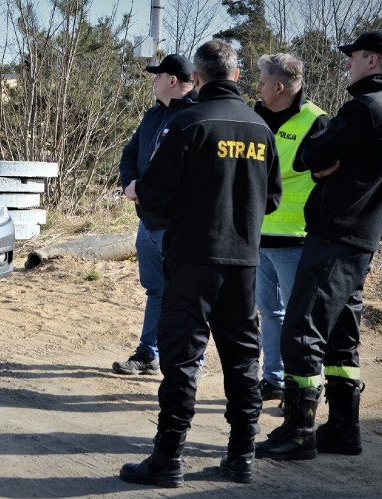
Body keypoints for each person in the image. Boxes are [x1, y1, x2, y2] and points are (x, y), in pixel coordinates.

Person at [119, 40, 281, 486]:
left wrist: (139, 192)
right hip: (243, 263)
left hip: (192, 260)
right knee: (243, 363)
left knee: (183, 360)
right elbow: (271, 199)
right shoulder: (259, 127)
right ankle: (241, 457)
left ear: (200, 76)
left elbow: (154, 191)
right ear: (236, 75)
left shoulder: (187, 123)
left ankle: (167, 459)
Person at [256, 31, 382, 460]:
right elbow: (318, 157)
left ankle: (299, 432)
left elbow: (311, 153)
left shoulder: (363, 108)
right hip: (359, 237)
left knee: (301, 331)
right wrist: (322, 159)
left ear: (372, 62)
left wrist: (322, 160)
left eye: (353, 58)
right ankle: (343, 428)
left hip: (336, 234)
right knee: (342, 338)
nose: (348, 65)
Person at [113, 54, 197, 376]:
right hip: (147, 222)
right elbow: (130, 152)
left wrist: (144, 190)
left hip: (176, 225)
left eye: (157, 75)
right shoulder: (153, 116)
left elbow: (182, 175)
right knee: (156, 290)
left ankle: (182, 363)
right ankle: (149, 353)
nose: (153, 80)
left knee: (181, 293)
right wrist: (130, 184)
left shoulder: (193, 116)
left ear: (172, 80)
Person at [253, 54, 329, 402]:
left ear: (279, 86)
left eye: (262, 81)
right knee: (269, 313)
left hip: (296, 238)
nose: (257, 87)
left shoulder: (316, 121)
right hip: (256, 233)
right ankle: (273, 379)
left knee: (299, 319)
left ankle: (301, 386)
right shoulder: (253, 116)